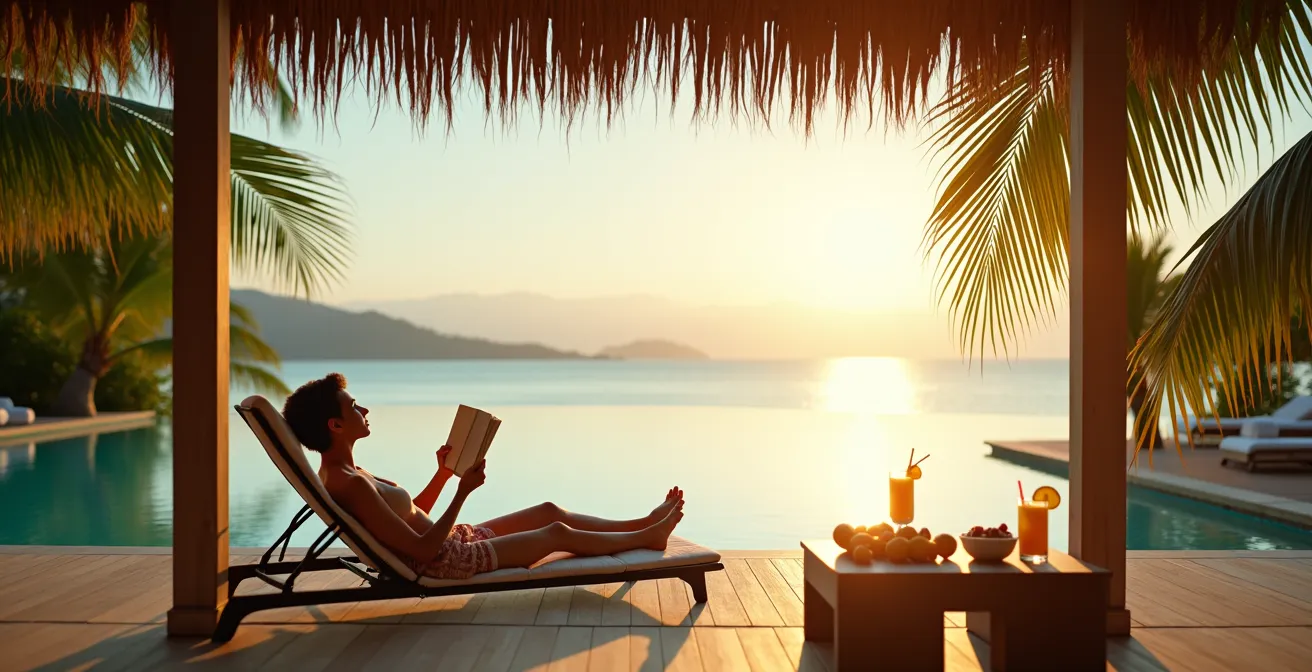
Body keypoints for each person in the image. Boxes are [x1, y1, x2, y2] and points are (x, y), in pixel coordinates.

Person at [281, 373, 684, 580]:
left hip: (453, 541)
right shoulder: (350, 483)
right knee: (555, 532)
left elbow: (408, 515)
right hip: (448, 560)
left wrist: (442, 475)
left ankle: (641, 523)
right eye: (354, 406)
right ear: (335, 425)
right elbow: (422, 550)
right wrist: (462, 492)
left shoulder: (347, 472)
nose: (364, 410)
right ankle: (646, 538)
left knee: (548, 510)